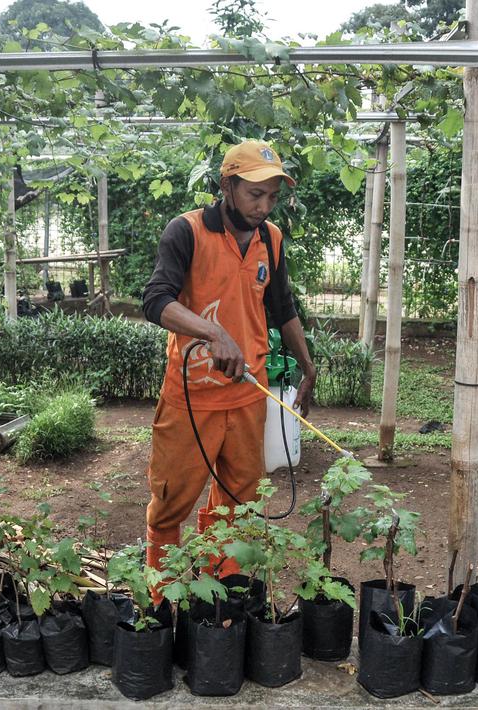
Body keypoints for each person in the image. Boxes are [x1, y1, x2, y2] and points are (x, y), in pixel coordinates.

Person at [140, 140, 317, 578]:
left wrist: (308, 367)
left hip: (247, 395)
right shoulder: (187, 232)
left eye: (272, 197)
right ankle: (162, 598)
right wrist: (213, 332)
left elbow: (283, 308)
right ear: (227, 185)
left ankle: (223, 589)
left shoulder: (270, 241)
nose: (264, 207)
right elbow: (155, 300)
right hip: (192, 396)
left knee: (239, 500)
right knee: (170, 503)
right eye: (255, 194)